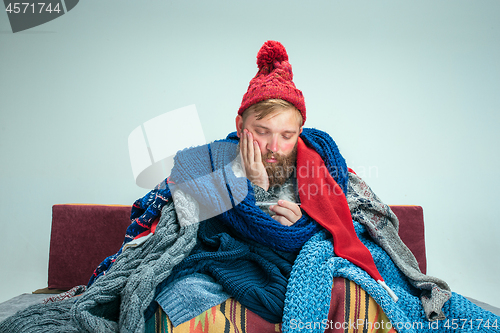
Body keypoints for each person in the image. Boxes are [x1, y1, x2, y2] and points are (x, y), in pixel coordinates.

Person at [2, 40, 499, 333]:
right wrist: (239, 190)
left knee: (353, 288)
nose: (274, 145)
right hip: (229, 258)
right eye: (263, 133)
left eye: (286, 134)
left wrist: (307, 223)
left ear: (299, 132)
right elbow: (174, 219)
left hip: (300, 257)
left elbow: (364, 218)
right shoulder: (211, 161)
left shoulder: (319, 162)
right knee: (179, 293)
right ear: (242, 127)